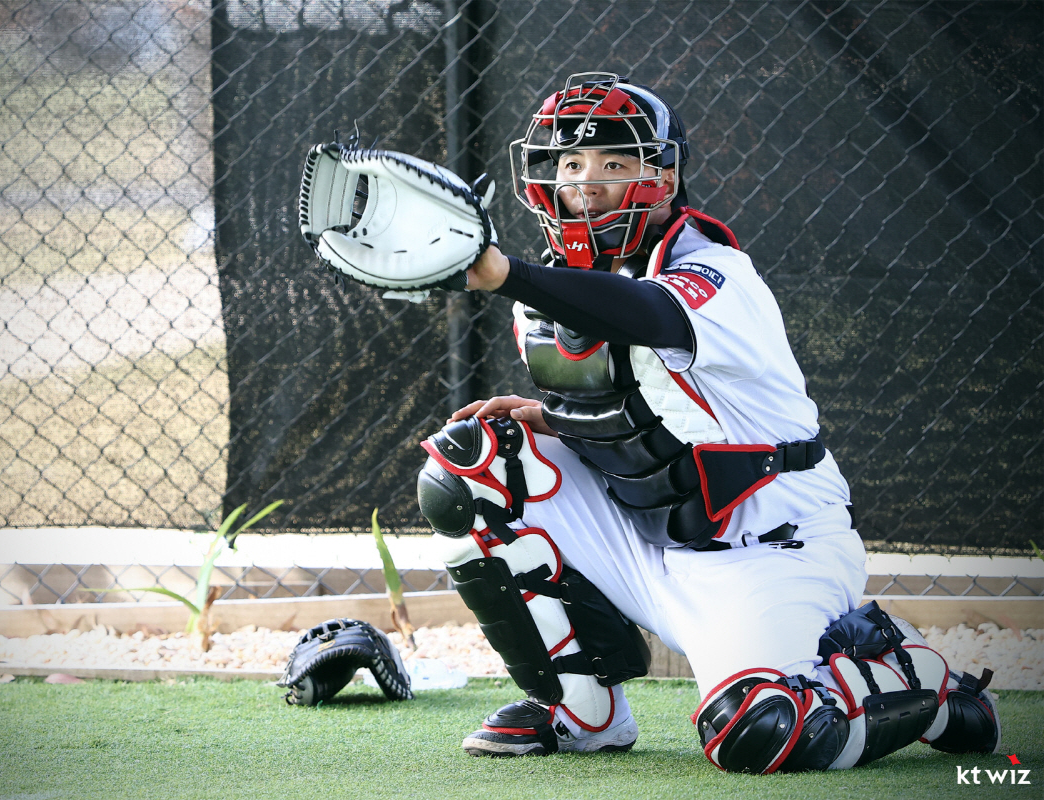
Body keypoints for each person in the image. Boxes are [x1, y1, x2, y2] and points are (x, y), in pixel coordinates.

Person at [415, 72, 1000, 771]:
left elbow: (650, 316)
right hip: (654, 543)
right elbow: (654, 404)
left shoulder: (717, 270)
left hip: (772, 551)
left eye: (613, 163)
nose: (586, 182)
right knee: (470, 461)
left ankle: (916, 679)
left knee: (757, 732)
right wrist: (552, 416)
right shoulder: (543, 296)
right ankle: (580, 712)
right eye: (570, 164)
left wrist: (501, 272)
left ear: (662, 177)